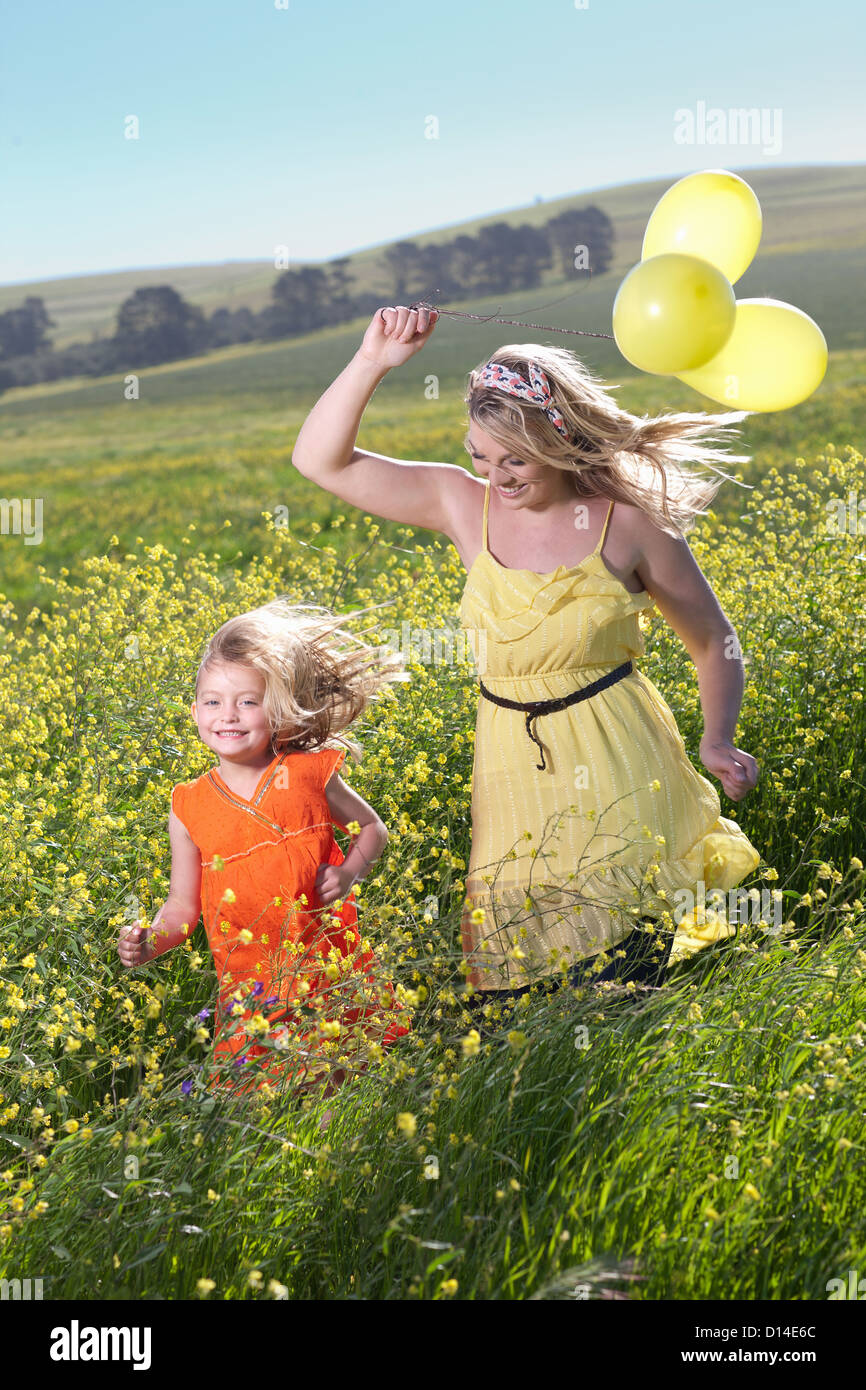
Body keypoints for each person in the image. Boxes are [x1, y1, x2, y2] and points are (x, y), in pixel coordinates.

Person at [291, 304, 762, 1019]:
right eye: (483, 456)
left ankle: (639, 1062)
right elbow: (320, 461)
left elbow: (712, 640)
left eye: (516, 458)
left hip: (618, 751)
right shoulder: (460, 504)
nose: (498, 476)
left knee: (628, 967)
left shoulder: (627, 524)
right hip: (511, 759)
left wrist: (717, 737)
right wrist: (373, 362)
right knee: (520, 977)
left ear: (561, 439)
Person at [117, 598, 411, 1099]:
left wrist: (348, 874)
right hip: (250, 982)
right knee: (259, 1098)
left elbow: (372, 829)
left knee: (337, 1081)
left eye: (247, 702)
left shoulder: (306, 773)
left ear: (276, 708)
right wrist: (150, 942)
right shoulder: (188, 804)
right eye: (212, 702)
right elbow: (184, 907)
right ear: (194, 711)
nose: (227, 716)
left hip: (322, 963)